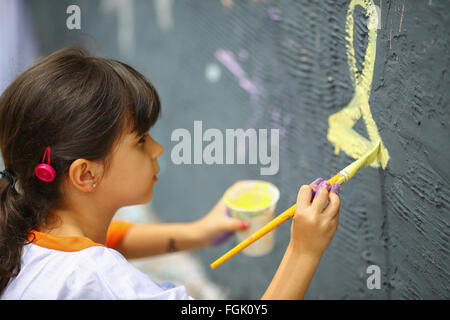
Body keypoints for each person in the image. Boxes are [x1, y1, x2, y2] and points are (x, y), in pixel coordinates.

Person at [0, 46, 340, 300]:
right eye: (141, 140)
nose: (157, 149)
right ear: (86, 175)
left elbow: (109, 238)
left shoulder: (26, 236)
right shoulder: (103, 281)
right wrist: (304, 251)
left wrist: (200, 232)